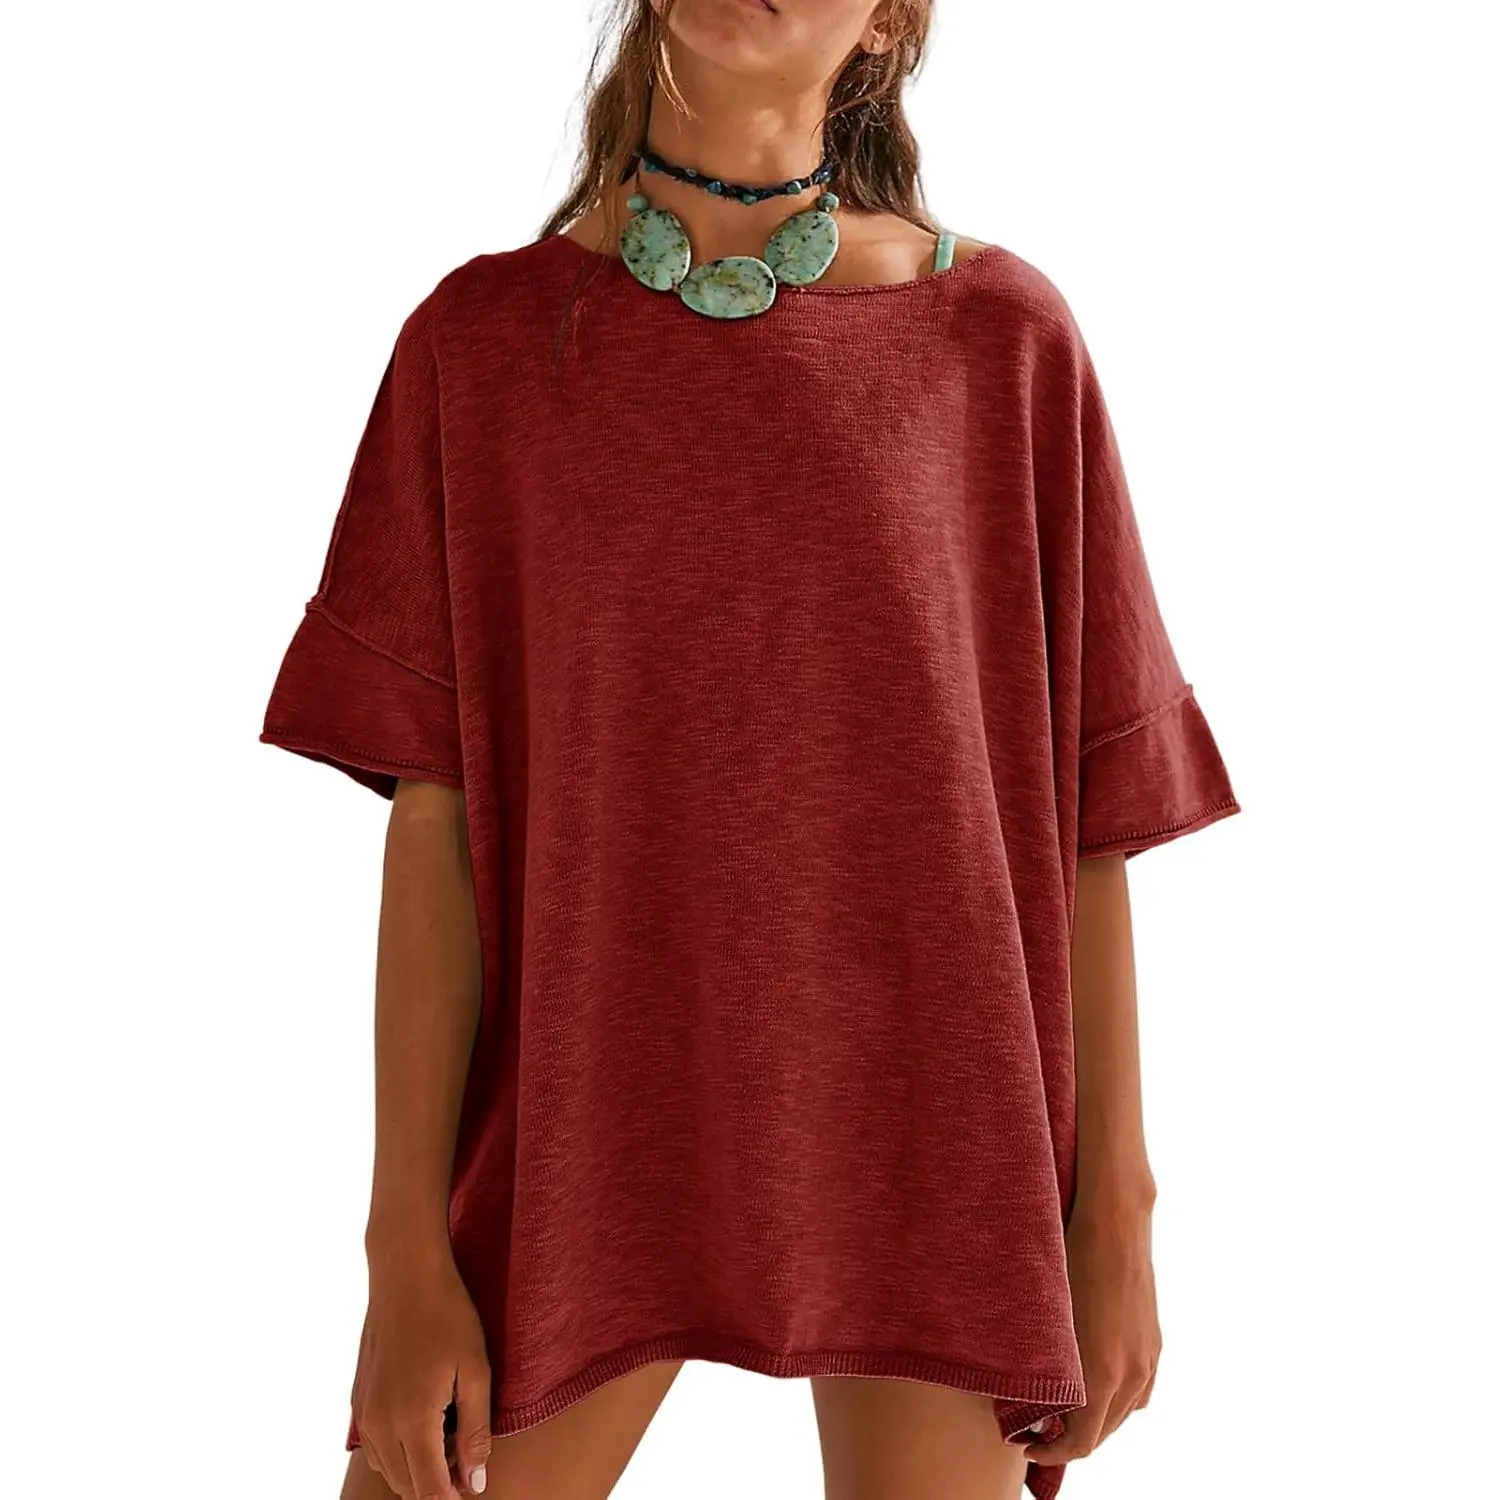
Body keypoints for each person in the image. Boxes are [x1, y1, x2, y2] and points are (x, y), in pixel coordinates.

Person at [258, 2, 1242, 1497]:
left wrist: (1118, 1214)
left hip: (940, 1130)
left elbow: (1083, 820)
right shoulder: (482, 346)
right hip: (587, 1130)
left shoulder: (1005, 343)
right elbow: (433, 832)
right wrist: (403, 1255)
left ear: (893, 20)